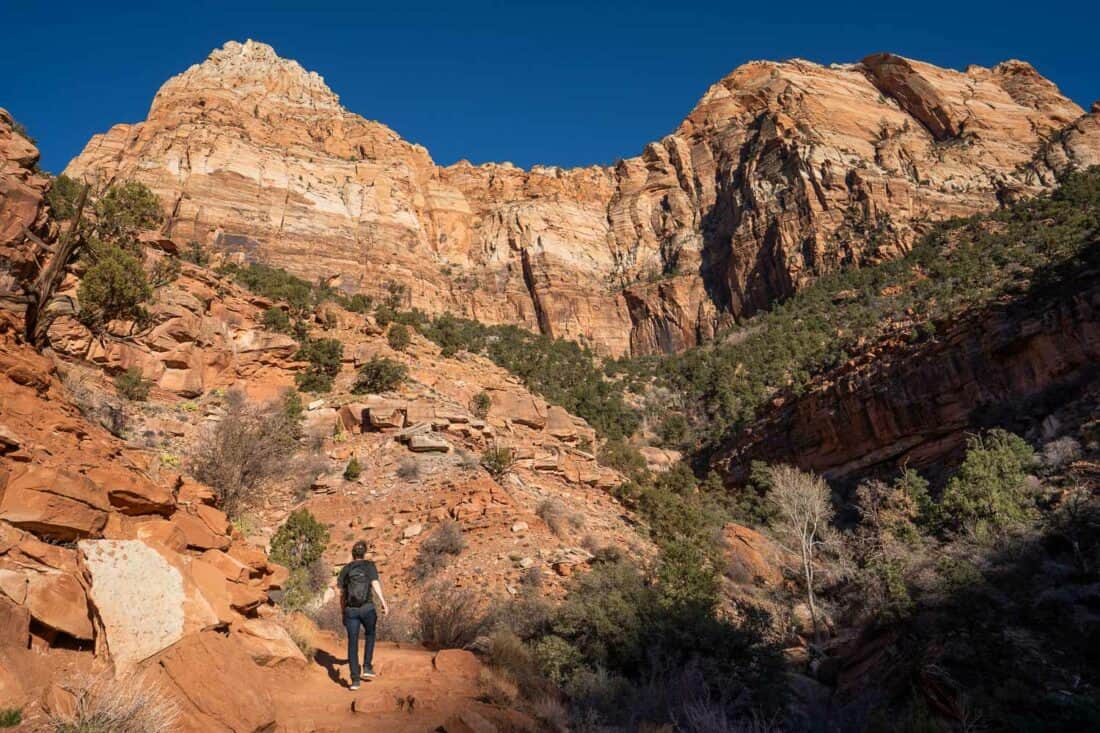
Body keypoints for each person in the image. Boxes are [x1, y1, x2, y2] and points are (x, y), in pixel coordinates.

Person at [337, 540, 389, 690]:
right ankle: (367, 667)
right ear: (364, 553)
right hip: (367, 608)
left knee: (352, 643)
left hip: (351, 611)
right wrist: (383, 602)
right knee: (370, 634)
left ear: (353, 555)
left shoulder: (346, 569)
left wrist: (343, 612)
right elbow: (375, 584)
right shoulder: (369, 566)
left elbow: (341, 594)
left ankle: (354, 680)